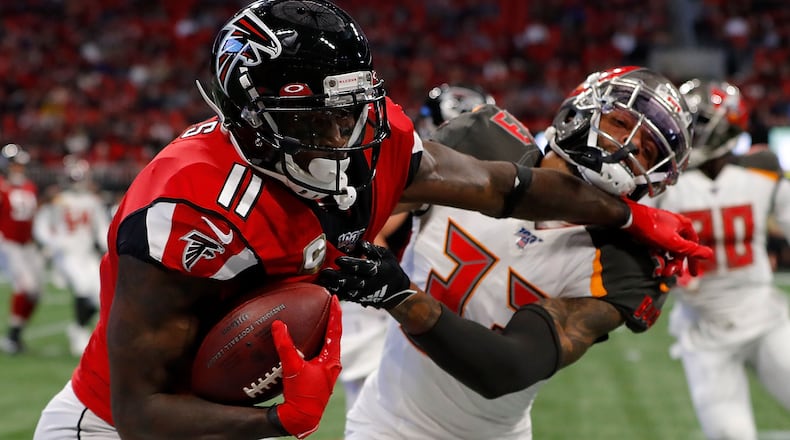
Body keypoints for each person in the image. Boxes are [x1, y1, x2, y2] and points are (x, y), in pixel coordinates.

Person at [33, 2, 708, 438]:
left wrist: (624, 215)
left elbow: (506, 188)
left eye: (352, 108)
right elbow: (139, 411)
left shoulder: (374, 139)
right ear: (256, 124)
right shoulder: (188, 211)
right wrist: (277, 421)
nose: (346, 133)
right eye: (317, 120)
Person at [319, 66, 695, 439]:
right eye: (620, 123)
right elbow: (377, 202)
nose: (628, 147)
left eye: (647, 150)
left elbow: (506, 368)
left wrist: (400, 294)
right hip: (387, 420)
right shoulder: (485, 137)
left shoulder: (627, 264)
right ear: (581, 108)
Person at [340, 83, 498, 414]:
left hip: (405, 296)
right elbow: (368, 237)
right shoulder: (418, 176)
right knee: (383, 403)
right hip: (382, 301)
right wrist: (396, 288)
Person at [649, 78, 790, 440]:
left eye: (696, 126)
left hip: (765, 316)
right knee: (730, 434)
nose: (685, 133)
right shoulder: (664, 184)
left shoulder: (763, 169)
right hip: (704, 329)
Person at [33, 157, 110, 356]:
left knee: (100, 294)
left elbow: (101, 228)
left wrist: (106, 244)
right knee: (83, 288)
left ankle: (77, 327)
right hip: (67, 254)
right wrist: (54, 243)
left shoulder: (93, 201)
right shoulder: (58, 200)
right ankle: (79, 331)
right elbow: (41, 226)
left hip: (86, 253)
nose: (77, 182)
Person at [0, 143, 43, 355]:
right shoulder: (2, 186)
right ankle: (12, 338)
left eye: (21, 165)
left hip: (27, 245)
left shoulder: (29, 187)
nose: (19, 168)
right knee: (25, 286)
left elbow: (31, 218)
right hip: (8, 244)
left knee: (36, 293)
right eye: (15, 165)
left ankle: (15, 334)